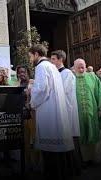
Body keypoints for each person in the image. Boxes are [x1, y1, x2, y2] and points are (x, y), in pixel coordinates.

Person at [28, 45, 74, 180]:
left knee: (51, 147)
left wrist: (32, 99)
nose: (30, 59)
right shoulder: (52, 66)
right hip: (56, 108)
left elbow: (42, 89)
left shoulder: (41, 67)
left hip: (49, 110)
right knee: (58, 146)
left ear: (36, 54)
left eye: (30, 56)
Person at [50, 50, 82, 175]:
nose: (51, 61)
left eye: (53, 59)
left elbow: (62, 91)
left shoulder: (67, 73)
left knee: (71, 142)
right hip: (60, 112)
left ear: (60, 60)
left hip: (68, 111)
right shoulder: (55, 73)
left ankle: (74, 169)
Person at [74, 59, 101, 164]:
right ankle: (85, 159)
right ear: (74, 67)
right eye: (78, 66)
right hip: (78, 115)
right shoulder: (71, 79)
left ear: (85, 66)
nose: (81, 67)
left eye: (82, 65)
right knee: (82, 135)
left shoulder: (92, 77)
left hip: (93, 112)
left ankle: (95, 157)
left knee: (94, 132)